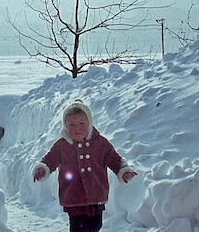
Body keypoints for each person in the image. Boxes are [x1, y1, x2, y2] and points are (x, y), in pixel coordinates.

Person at [31, 99, 138, 232]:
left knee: (95, 226)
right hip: (72, 195)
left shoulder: (100, 143)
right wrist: (42, 168)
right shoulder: (62, 145)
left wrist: (123, 170)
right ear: (65, 125)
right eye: (72, 124)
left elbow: (114, 158)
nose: (77, 128)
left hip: (96, 194)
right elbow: (50, 159)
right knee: (77, 227)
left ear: (89, 123)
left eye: (81, 123)